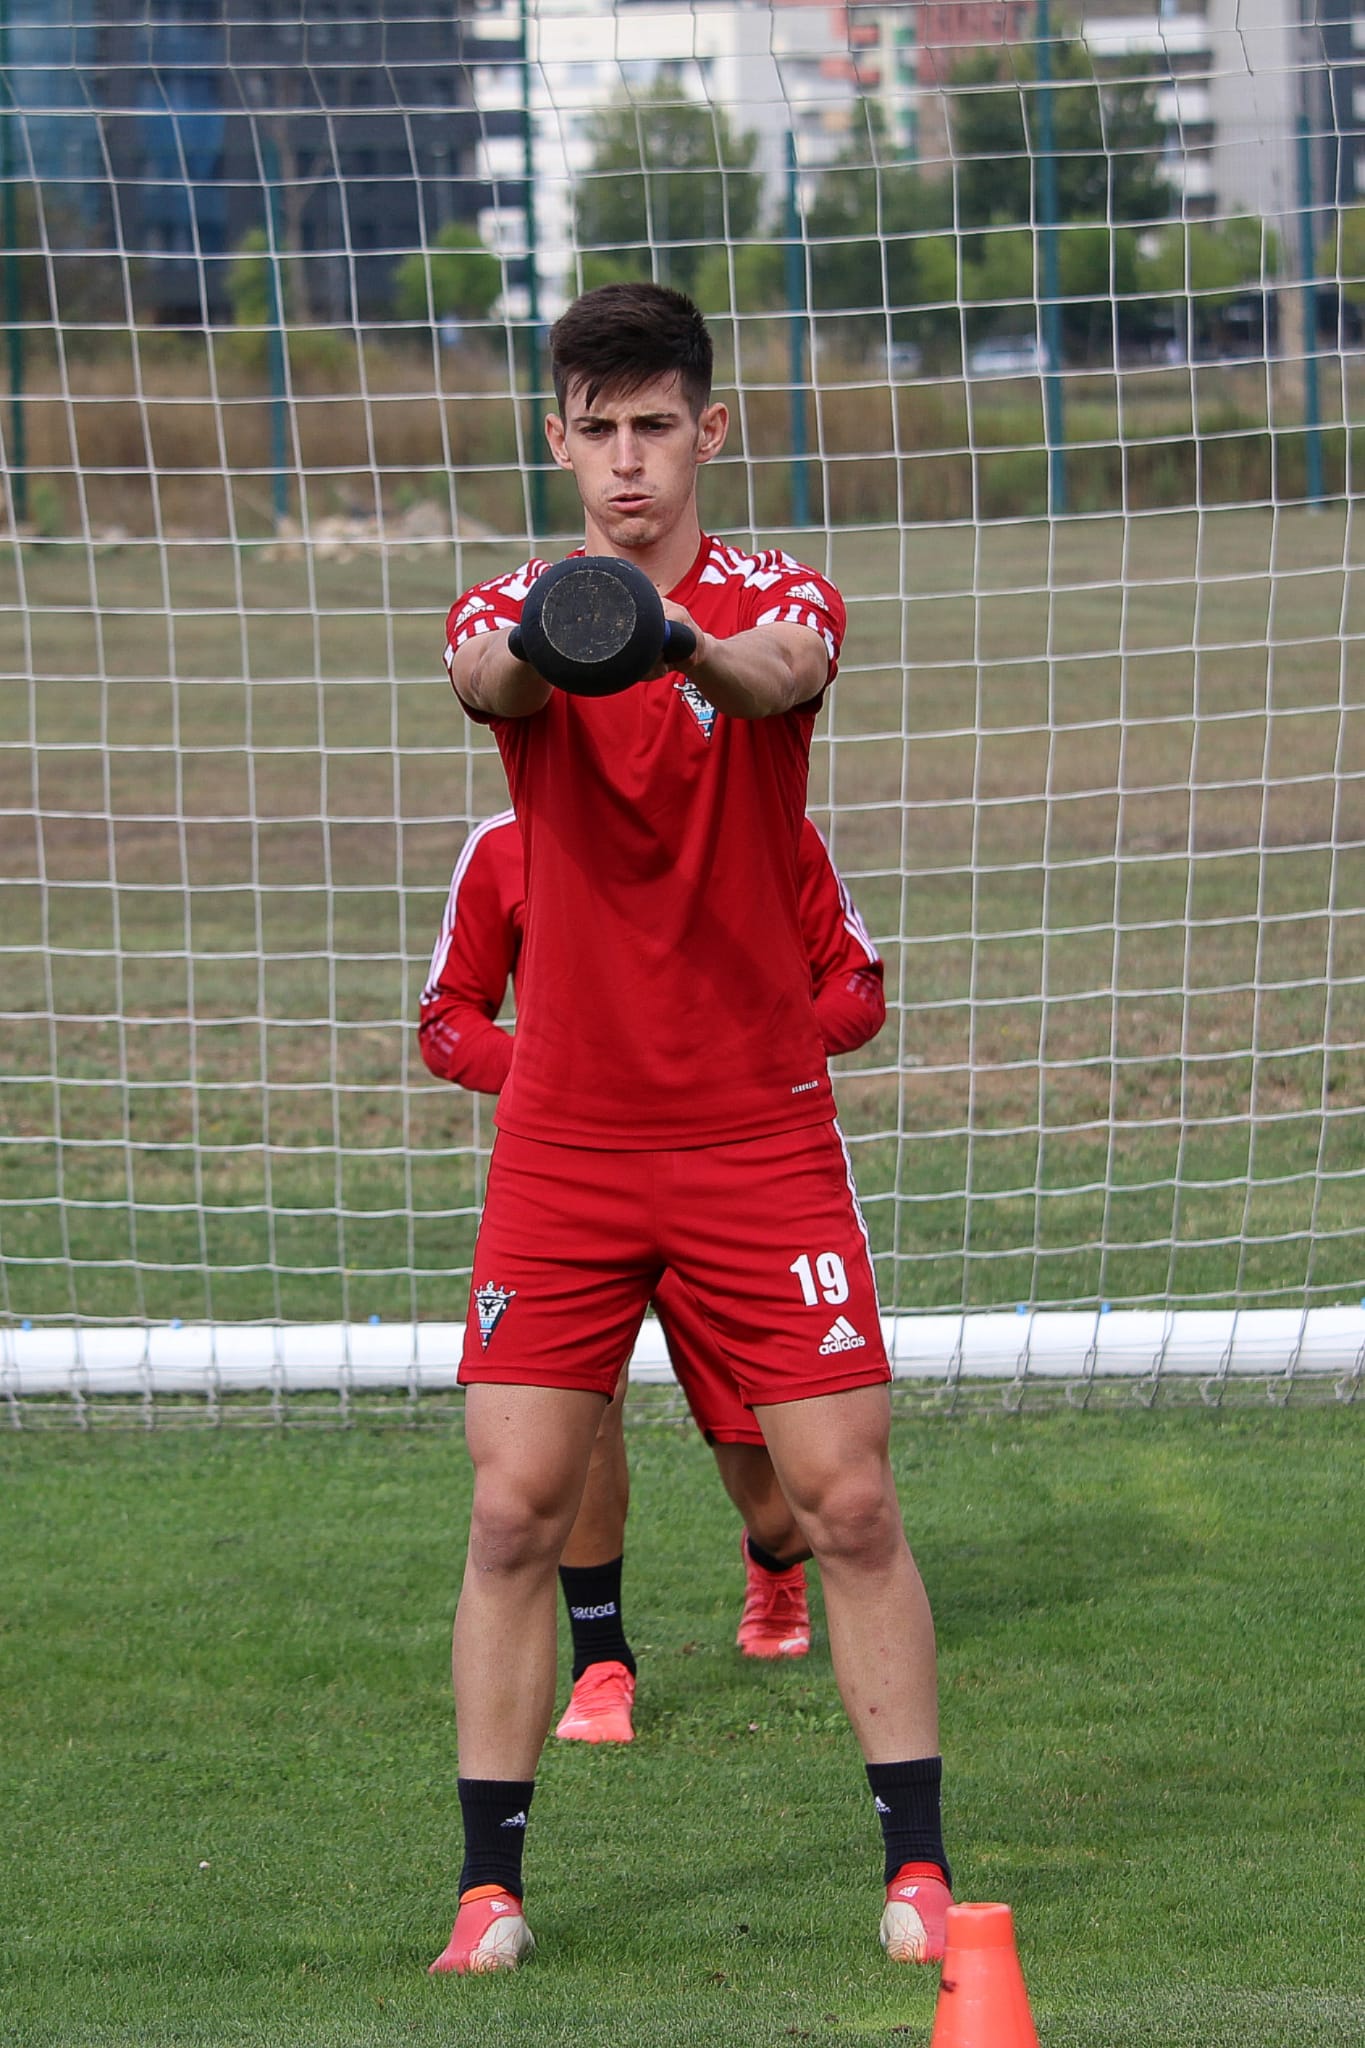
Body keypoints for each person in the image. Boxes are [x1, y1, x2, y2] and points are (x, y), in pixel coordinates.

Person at [429, 281, 951, 1979]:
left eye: (660, 425)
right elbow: (485, 677)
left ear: (707, 431)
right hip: (569, 1140)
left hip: (755, 1133)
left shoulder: (778, 598)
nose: (632, 457)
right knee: (512, 1506)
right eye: (600, 428)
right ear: (561, 437)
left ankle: (921, 1871)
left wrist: (671, 642)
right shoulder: (516, 603)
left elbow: (783, 665)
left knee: (848, 1498)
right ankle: (488, 1892)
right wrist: (570, 631)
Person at [418, 807, 890, 1739]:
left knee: (782, 1493)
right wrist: (571, 1077)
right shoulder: (507, 844)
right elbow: (446, 1020)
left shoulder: (769, 831)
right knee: (565, 1428)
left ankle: (775, 1564)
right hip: (579, 1184)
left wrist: (750, 1059)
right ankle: (601, 1661)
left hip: (732, 1179)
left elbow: (856, 989)